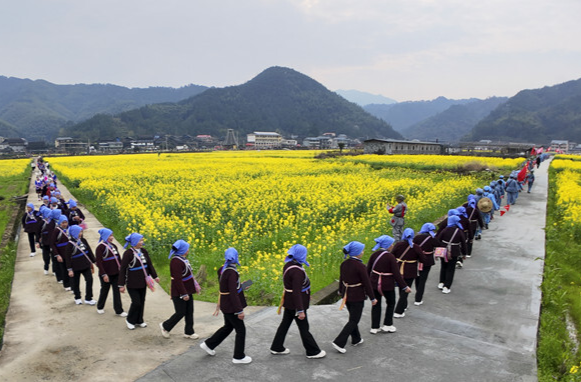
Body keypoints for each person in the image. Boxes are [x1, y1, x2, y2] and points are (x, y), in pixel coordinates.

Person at [270, 244, 326, 358]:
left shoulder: (288, 265)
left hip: (289, 301)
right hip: (296, 304)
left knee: (285, 324)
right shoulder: (297, 271)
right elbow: (296, 291)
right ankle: (313, 351)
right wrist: (300, 310)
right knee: (304, 328)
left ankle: (276, 347)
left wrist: (307, 295)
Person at [200, 248, 252, 364]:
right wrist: (239, 311)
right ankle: (238, 356)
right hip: (231, 306)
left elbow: (228, 287)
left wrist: (241, 286)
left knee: (228, 327)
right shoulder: (232, 272)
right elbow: (233, 293)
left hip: (225, 304)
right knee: (241, 330)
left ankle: (209, 344)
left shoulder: (222, 269)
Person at [332, 241, 376, 354]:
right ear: (357, 253)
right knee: (354, 320)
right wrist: (372, 298)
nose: (363, 252)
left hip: (347, 295)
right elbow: (367, 283)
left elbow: (342, 279)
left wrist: (340, 291)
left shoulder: (344, 264)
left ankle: (356, 339)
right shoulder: (360, 266)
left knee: (353, 317)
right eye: (362, 250)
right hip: (357, 296)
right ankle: (339, 342)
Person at [367, 235, 410, 334]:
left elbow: (368, 270)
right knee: (390, 303)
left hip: (374, 283)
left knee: (376, 304)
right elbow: (396, 274)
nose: (393, 245)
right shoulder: (390, 257)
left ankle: (374, 327)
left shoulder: (374, 255)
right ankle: (387, 325)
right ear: (388, 245)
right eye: (391, 243)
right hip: (387, 284)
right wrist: (404, 286)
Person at [118, 233, 160, 330]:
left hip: (143, 282)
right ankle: (130, 320)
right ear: (134, 242)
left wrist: (155, 276)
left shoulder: (144, 251)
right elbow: (123, 269)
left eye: (142, 240)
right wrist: (121, 284)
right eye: (140, 240)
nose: (142, 242)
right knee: (136, 302)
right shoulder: (128, 253)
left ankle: (139, 320)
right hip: (132, 283)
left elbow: (149, 264)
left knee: (142, 301)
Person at [160, 240, 200, 340]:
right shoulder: (176, 262)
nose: (188, 250)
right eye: (187, 248)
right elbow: (177, 280)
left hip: (187, 289)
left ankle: (189, 331)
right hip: (179, 291)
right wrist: (183, 293)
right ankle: (165, 326)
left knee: (189, 311)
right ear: (182, 250)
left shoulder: (183, 259)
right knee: (180, 312)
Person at [392, 229, 425, 317]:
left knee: (401, 287)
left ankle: (404, 305)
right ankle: (399, 311)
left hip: (398, 269)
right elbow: (422, 259)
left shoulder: (398, 245)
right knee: (406, 289)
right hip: (411, 270)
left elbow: (392, 255)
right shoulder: (416, 247)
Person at [95, 228, 126, 316]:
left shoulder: (114, 246)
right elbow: (99, 263)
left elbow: (118, 259)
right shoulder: (100, 248)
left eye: (112, 235)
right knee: (104, 290)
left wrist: (122, 271)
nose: (112, 237)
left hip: (116, 273)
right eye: (110, 236)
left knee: (116, 292)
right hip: (106, 274)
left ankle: (119, 310)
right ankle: (100, 307)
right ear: (105, 236)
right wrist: (103, 274)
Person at [65, 225, 96, 305]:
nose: (81, 233)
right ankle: (77, 297)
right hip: (75, 266)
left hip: (85, 264)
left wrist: (94, 261)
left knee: (89, 280)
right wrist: (69, 269)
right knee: (76, 282)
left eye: (81, 232)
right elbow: (67, 258)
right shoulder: (70, 244)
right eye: (79, 232)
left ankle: (88, 298)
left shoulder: (83, 240)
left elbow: (89, 251)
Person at [436, 215, 467, 294]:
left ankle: (441, 282)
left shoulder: (445, 230)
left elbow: (438, 239)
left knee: (443, 266)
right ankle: (447, 286)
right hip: (454, 251)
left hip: (444, 251)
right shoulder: (459, 231)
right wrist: (464, 254)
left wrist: (437, 250)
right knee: (451, 268)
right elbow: (463, 243)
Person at [413, 224, 442, 305]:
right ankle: (418, 298)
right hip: (427, 260)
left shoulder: (417, 237)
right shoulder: (432, 238)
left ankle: (417, 290)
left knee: (417, 277)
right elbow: (438, 244)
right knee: (423, 279)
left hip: (417, 260)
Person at [49, 210, 71, 290]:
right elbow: (52, 243)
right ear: (60, 223)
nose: (64, 224)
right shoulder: (56, 230)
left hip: (69, 252)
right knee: (64, 269)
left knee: (70, 268)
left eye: (66, 222)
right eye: (63, 223)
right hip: (61, 252)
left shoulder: (69, 230)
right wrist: (57, 254)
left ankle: (72, 283)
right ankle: (66, 284)